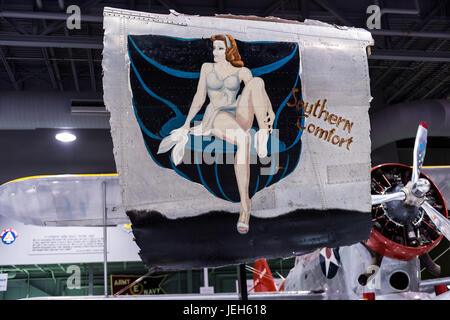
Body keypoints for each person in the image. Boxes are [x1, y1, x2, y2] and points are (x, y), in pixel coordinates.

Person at [158, 34, 275, 234]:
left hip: (239, 114)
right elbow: (199, 96)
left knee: (257, 81)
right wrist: (187, 123)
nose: (215, 52)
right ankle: (245, 208)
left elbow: (259, 91)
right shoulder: (207, 68)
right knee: (245, 139)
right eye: (214, 48)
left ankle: (263, 133)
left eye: (220, 48)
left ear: (229, 51)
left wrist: (269, 111)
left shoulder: (241, 71)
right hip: (218, 116)